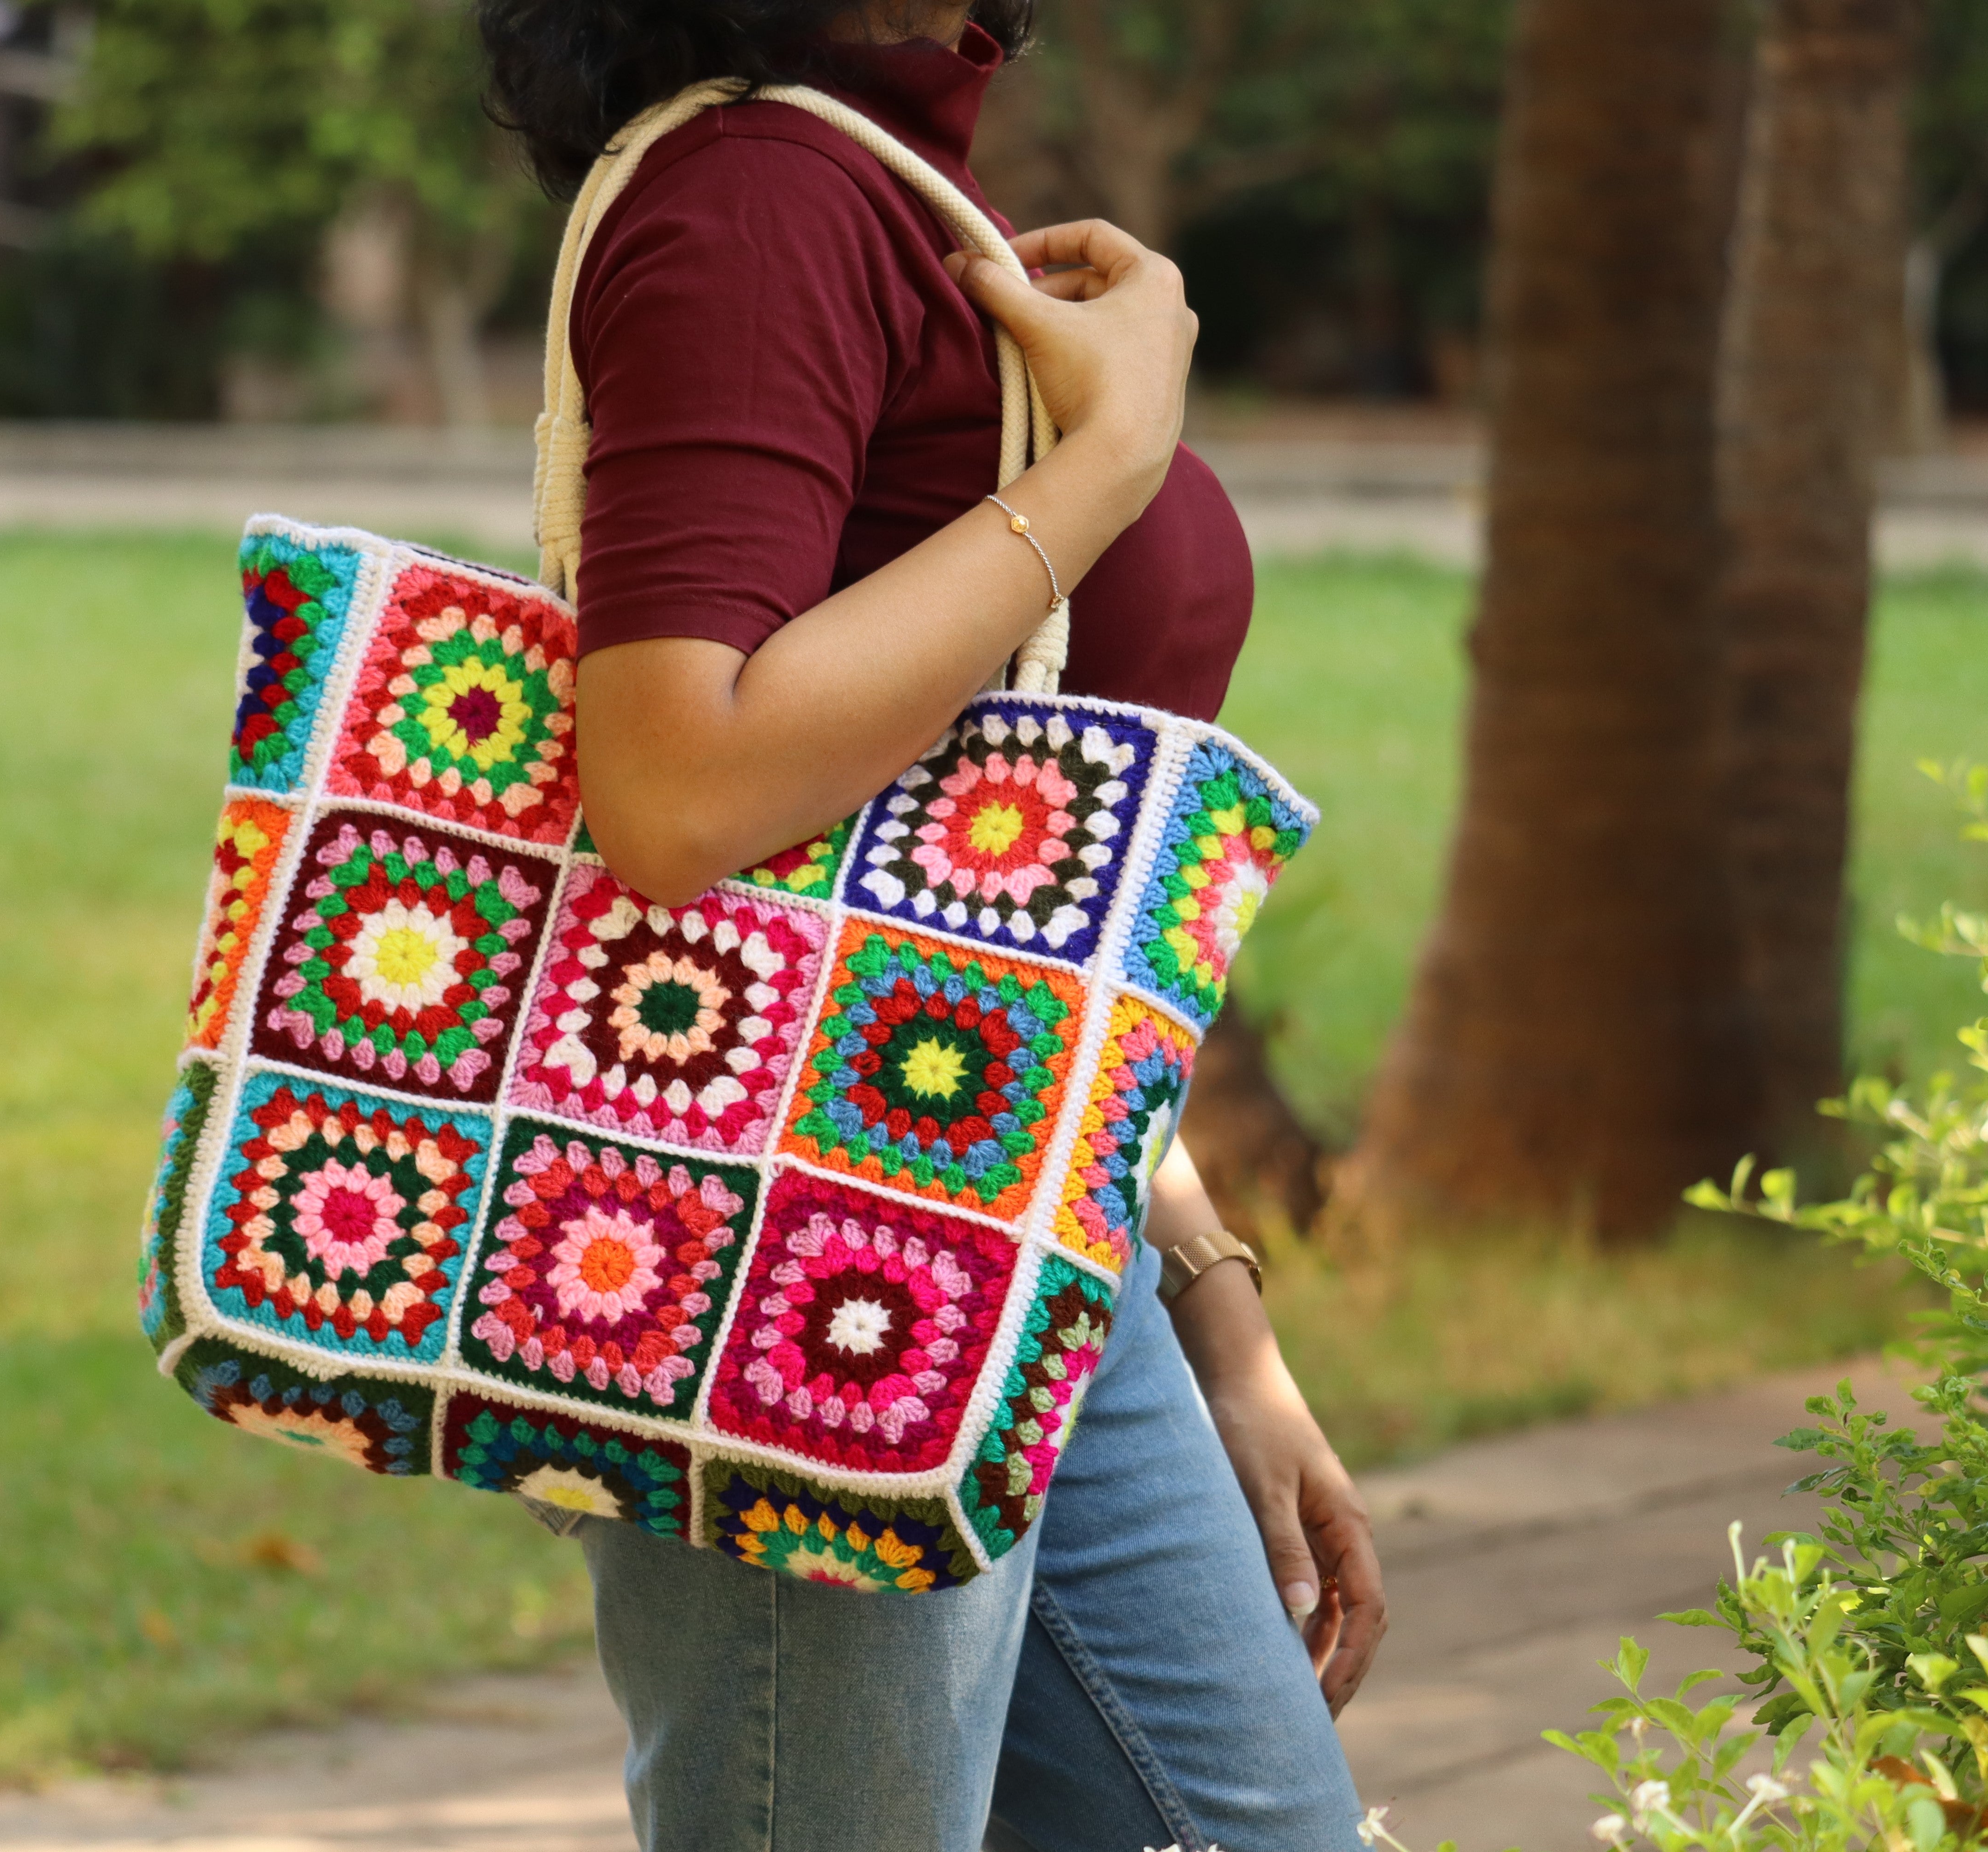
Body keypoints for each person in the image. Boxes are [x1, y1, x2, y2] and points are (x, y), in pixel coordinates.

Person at [475, 4, 1386, 1847]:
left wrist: (1212, 1310)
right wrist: (1107, 454)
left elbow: (990, 883)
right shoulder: (757, 197)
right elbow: (678, 786)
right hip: (788, 1254)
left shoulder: (881, 180)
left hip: (1022, 1204)